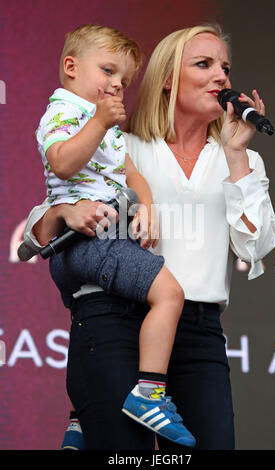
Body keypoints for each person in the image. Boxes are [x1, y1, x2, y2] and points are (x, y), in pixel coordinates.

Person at [22, 24, 275, 450]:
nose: (223, 78)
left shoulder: (242, 157)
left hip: (199, 331)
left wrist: (236, 156)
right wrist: (64, 212)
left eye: (226, 68)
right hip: (117, 320)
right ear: (167, 79)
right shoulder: (121, 143)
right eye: (205, 64)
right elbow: (40, 228)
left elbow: (256, 247)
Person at [33, 23, 196, 448]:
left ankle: (80, 424)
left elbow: (131, 173)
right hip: (90, 243)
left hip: (97, 246)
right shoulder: (65, 112)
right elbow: (64, 162)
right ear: (70, 67)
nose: (115, 87)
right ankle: (149, 393)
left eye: (123, 82)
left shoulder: (101, 124)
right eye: (107, 71)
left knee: (113, 328)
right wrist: (101, 121)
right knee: (170, 294)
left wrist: (147, 205)